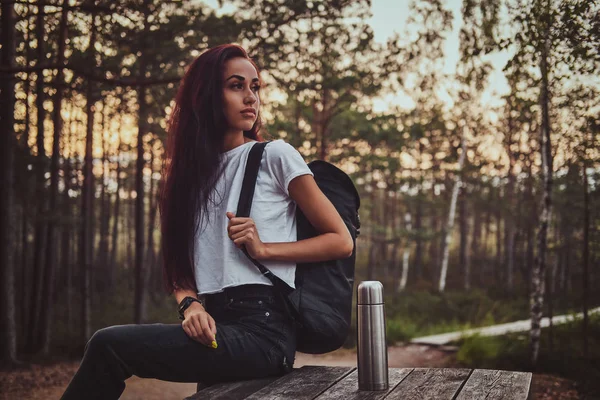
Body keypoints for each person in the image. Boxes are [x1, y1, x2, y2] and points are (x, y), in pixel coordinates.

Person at [60, 43, 353, 399]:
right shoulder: (187, 182)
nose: (251, 98)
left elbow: (340, 239)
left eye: (255, 87)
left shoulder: (274, 155)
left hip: (264, 332)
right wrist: (190, 305)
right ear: (207, 96)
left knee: (109, 345)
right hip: (215, 327)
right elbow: (181, 272)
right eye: (236, 86)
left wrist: (264, 248)